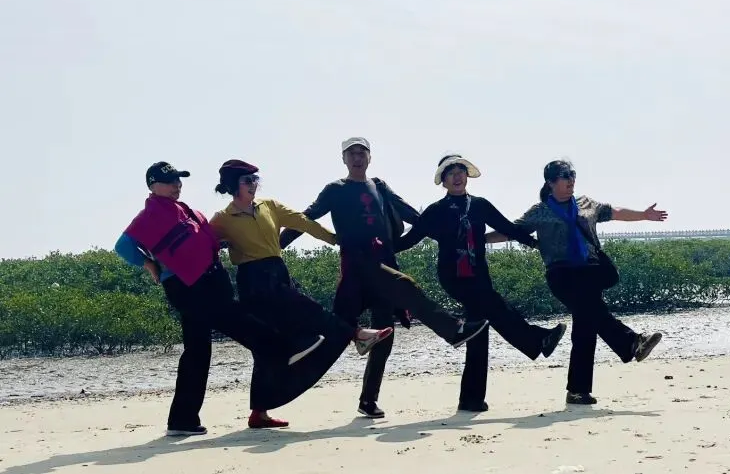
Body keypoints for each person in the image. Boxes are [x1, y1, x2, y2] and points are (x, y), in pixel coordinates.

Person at [280, 136, 489, 418]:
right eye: (352, 153)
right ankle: (453, 330)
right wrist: (278, 245)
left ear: (370, 157)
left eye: (362, 153)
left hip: (382, 264)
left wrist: (446, 232)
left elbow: (411, 214)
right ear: (343, 159)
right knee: (400, 288)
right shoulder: (335, 189)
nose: (357, 158)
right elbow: (306, 218)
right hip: (357, 267)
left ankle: (367, 399)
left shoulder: (379, 186)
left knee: (381, 334)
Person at [113, 161, 328, 437]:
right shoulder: (149, 215)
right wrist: (148, 264)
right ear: (153, 186)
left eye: (178, 180)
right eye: (170, 181)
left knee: (197, 350)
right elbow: (123, 246)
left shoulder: (181, 210)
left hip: (208, 278)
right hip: (187, 285)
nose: (177, 185)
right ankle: (284, 348)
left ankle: (182, 419)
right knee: (232, 316)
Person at [209, 159, 393, 429]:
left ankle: (259, 413)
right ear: (232, 185)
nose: (253, 185)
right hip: (252, 280)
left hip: (277, 270)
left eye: (255, 180)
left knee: (266, 347)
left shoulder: (269, 206)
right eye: (247, 180)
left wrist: (334, 239)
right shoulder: (223, 219)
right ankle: (356, 334)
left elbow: (303, 222)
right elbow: (203, 245)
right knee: (307, 310)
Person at [395, 154, 568, 412]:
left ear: (467, 176)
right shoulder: (435, 211)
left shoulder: (480, 205)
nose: (457, 176)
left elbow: (507, 227)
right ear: (443, 181)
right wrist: (380, 248)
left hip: (479, 273)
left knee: (479, 328)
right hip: (453, 276)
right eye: (451, 173)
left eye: (460, 171)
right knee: (495, 306)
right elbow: (410, 240)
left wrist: (532, 242)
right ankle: (537, 339)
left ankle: (471, 398)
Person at [486, 159, 666, 406]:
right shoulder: (540, 211)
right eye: (564, 176)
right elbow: (511, 231)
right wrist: (478, 239)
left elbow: (614, 212)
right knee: (592, 315)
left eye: (572, 175)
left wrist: (643, 215)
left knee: (586, 326)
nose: (570, 180)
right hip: (561, 274)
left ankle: (578, 391)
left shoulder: (585, 203)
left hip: (591, 271)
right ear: (550, 183)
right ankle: (631, 341)